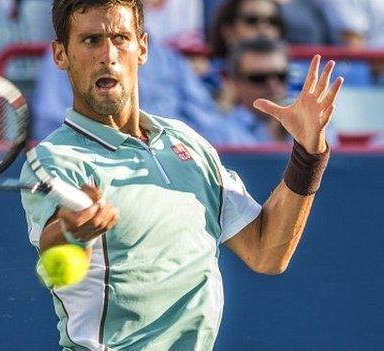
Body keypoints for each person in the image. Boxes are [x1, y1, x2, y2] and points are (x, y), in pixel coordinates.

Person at [19, 1, 343, 350]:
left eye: (120, 38)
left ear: (142, 48)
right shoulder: (58, 159)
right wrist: (72, 230)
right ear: (60, 55)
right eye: (91, 41)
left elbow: (267, 252)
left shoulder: (188, 144)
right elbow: (53, 246)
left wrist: (307, 154)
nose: (108, 55)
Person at [31, 35, 245, 144]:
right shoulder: (65, 59)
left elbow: (211, 130)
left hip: (171, 168)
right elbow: (51, 133)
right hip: (96, 169)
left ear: (142, 48)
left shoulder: (170, 60)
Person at [210, 37, 339, 146]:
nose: (273, 84)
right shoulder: (218, 132)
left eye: (281, 76)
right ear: (235, 82)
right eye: (259, 78)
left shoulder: (313, 121)